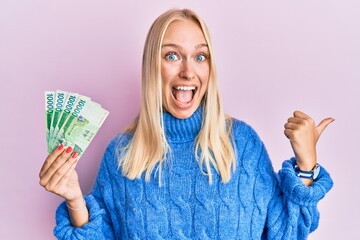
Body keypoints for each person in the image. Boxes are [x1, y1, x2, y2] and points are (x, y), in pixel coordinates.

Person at [39, 8, 334, 239]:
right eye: (172, 55)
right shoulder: (122, 155)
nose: (188, 71)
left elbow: (287, 233)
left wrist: (306, 164)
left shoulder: (242, 144)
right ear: (152, 65)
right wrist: (76, 200)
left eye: (200, 56)